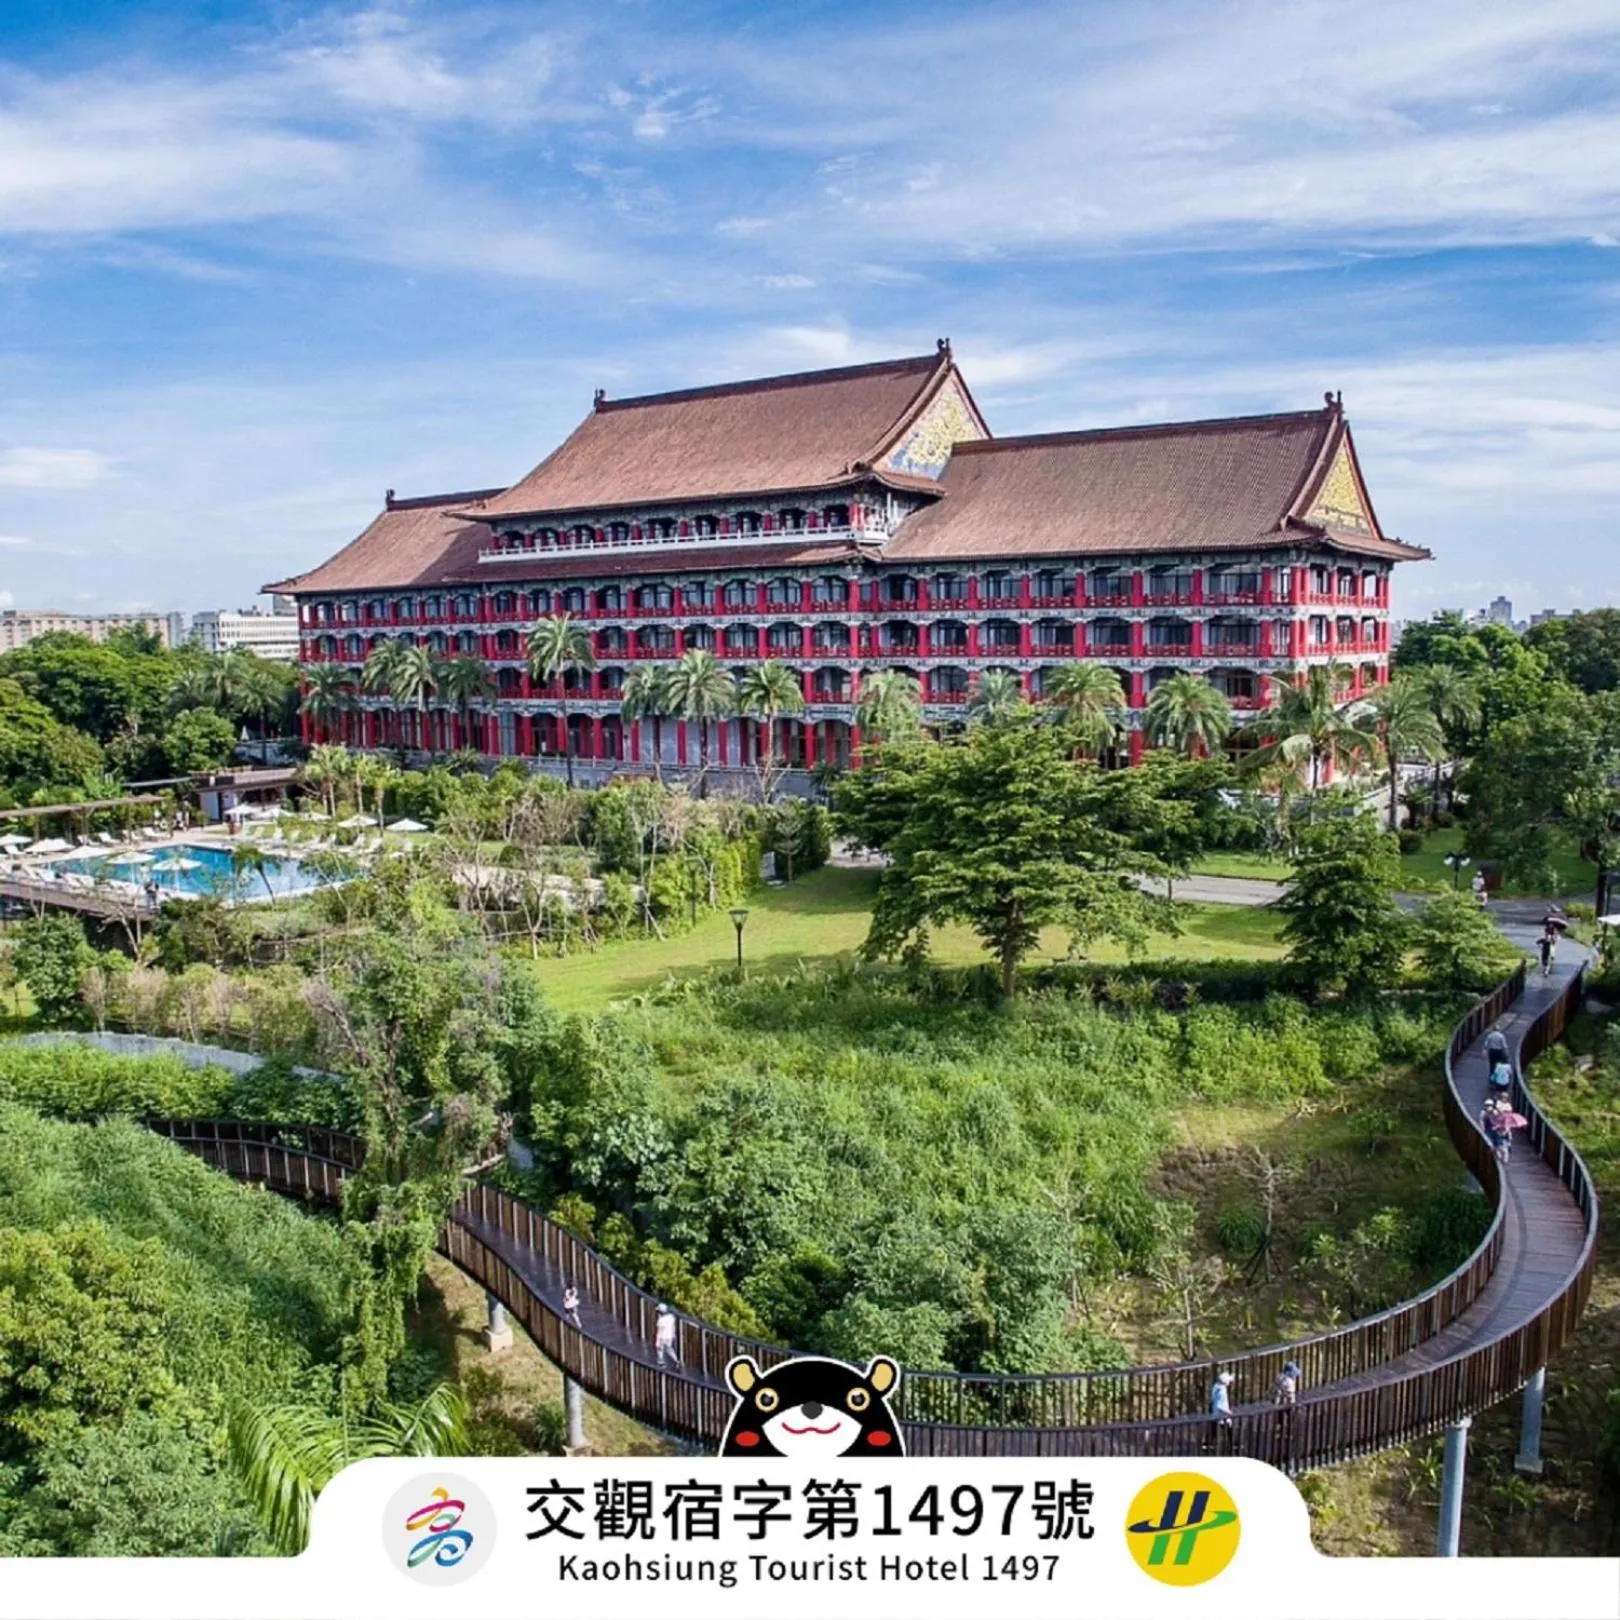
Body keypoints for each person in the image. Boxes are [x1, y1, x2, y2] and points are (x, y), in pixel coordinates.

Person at [1271, 1360, 1300, 1450]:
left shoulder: (1279, 1377)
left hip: (1278, 1402)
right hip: (1285, 1403)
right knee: (1290, 1417)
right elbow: (1290, 1394)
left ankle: (1278, 1431)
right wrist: (1293, 1403)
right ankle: (1288, 1433)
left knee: (1280, 1417)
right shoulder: (1289, 1382)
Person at [1208, 1369, 1235, 1452]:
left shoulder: (1216, 1387)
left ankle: (1210, 1444)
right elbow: (1220, 1406)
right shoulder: (1222, 1392)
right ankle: (1231, 1445)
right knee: (1228, 1428)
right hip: (1221, 1415)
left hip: (1214, 1413)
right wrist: (1229, 1413)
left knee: (1214, 1429)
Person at [1482, 1097, 1512, 1165]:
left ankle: (1504, 1159)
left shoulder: (1503, 1118)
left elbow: (1507, 1129)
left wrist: (1505, 1133)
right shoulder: (1488, 1114)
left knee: (1502, 1147)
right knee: (1496, 1146)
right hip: (1497, 1133)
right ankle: (1500, 1157)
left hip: (1501, 1135)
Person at [654, 1302, 679, 1367]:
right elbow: (673, 1327)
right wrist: (673, 1335)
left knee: (660, 1349)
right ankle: (676, 1360)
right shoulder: (671, 1318)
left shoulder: (661, 1320)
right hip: (670, 1337)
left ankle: (661, 1362)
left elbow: (659, 1332)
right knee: (669, 1348)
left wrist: (657, 1341)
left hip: (663, 1337)